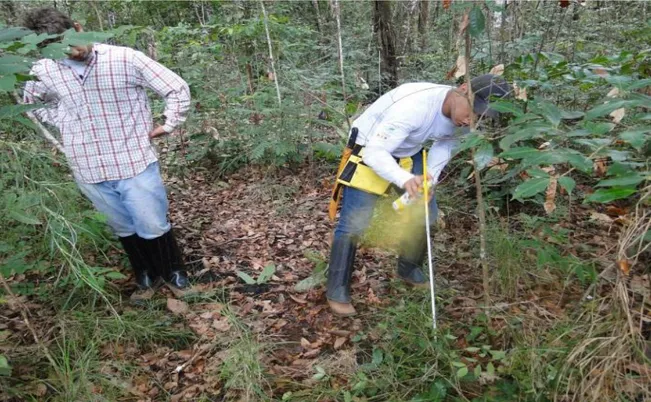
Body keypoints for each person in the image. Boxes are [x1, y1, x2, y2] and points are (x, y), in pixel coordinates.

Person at [22, 7, 192, 296]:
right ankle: (146, 275)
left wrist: (168, 124)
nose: (72, 53)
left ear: (77, 27)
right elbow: (33, 105)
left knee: (151, 221)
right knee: (122, 225)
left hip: (133, 159)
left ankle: (173, 272)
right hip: (87, 165)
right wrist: (64, 120)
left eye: (71, 44)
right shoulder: (44, 70)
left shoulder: (124, 58)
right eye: (61, 50)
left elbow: (176, 88)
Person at [326, 74, 511, 316]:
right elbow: (375, 153)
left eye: (481, 116)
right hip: (369, 149)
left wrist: (430, 176)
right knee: (354, 223)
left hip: (408, 151)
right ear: (462, 89)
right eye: (473, 110)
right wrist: (405, 179)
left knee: (425, 213)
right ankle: (337, 289)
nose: (472, 120)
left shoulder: (463, 119)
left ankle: (408, 267)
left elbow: (445, 144)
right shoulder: (414, 108)